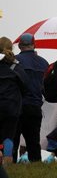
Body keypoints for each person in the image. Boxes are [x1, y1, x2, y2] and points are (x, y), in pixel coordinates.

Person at [13, 33, 49, 163]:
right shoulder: (44, 63)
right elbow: (47, 88)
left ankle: (11, 168)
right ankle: (37, 167)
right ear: (34, 45)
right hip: (35, 107)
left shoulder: (14, 61)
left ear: (19, 45)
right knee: (33, 142)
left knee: (14, 140)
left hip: (17, 107)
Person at [0, 37, 27, 165]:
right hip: (12, 106)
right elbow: (24, 86)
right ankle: (7, 165)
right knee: (8, 137)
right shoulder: (16, 66)